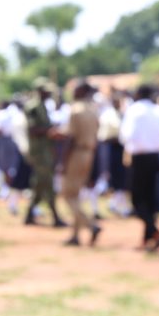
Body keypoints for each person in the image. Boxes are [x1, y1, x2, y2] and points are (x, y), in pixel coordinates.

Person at [120, 84, 159, 250]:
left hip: (140, 158)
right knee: (149, 198)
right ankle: (148, 237)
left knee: (137, 199)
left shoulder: (134, 110)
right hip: (156, 157)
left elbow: (126, 135)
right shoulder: (158, 111)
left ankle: (155, 231)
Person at [60, 83, 101, 246]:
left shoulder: (75, 109)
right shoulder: (93, 109)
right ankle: (75, 235)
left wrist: (63, 161)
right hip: (89, 153)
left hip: (76, 153)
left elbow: (70, 138)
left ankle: (91, 226)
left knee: (68, 195)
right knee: (76, 195)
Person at [23, 79, 67, 227]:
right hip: (39, 152)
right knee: (47, 183)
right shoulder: (33, 107)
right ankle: (55, 216)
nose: (49, 93)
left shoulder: (42, 106)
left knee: (40, 184)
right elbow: (32, 129)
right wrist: (49, 131)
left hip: (45, 150)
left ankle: (29, 214)